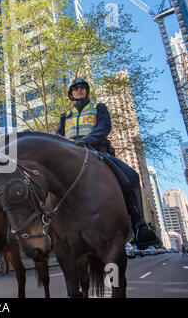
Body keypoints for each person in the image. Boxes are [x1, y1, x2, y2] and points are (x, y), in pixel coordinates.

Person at [56, 78, 159, 249]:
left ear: (86, 90)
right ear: (71, 94)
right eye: (75, 88)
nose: (79, 90)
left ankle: (139, 225)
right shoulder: (64, 116)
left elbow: (104, 126)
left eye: (82, 87)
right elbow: (58, 136)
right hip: (71, 153)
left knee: (131, 177)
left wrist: (87, 140)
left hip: (97, 150)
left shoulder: (98, 108)